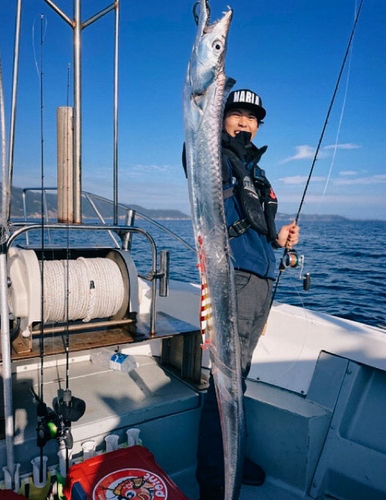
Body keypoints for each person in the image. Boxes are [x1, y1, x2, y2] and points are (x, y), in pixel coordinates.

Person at [195, 89, 299, 500]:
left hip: (261, 283)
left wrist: (279, 237)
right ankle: (212, 477)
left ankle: (232, 457)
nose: (244, 122)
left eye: (251, 117)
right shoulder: (213, 159)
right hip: (232, 280)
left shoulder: (257, 173)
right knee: (223, 385)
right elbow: (195, 146)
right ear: (219, 118)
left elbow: (259, 231)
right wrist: (211, 84)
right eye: (234, 113)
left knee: (238, 379)